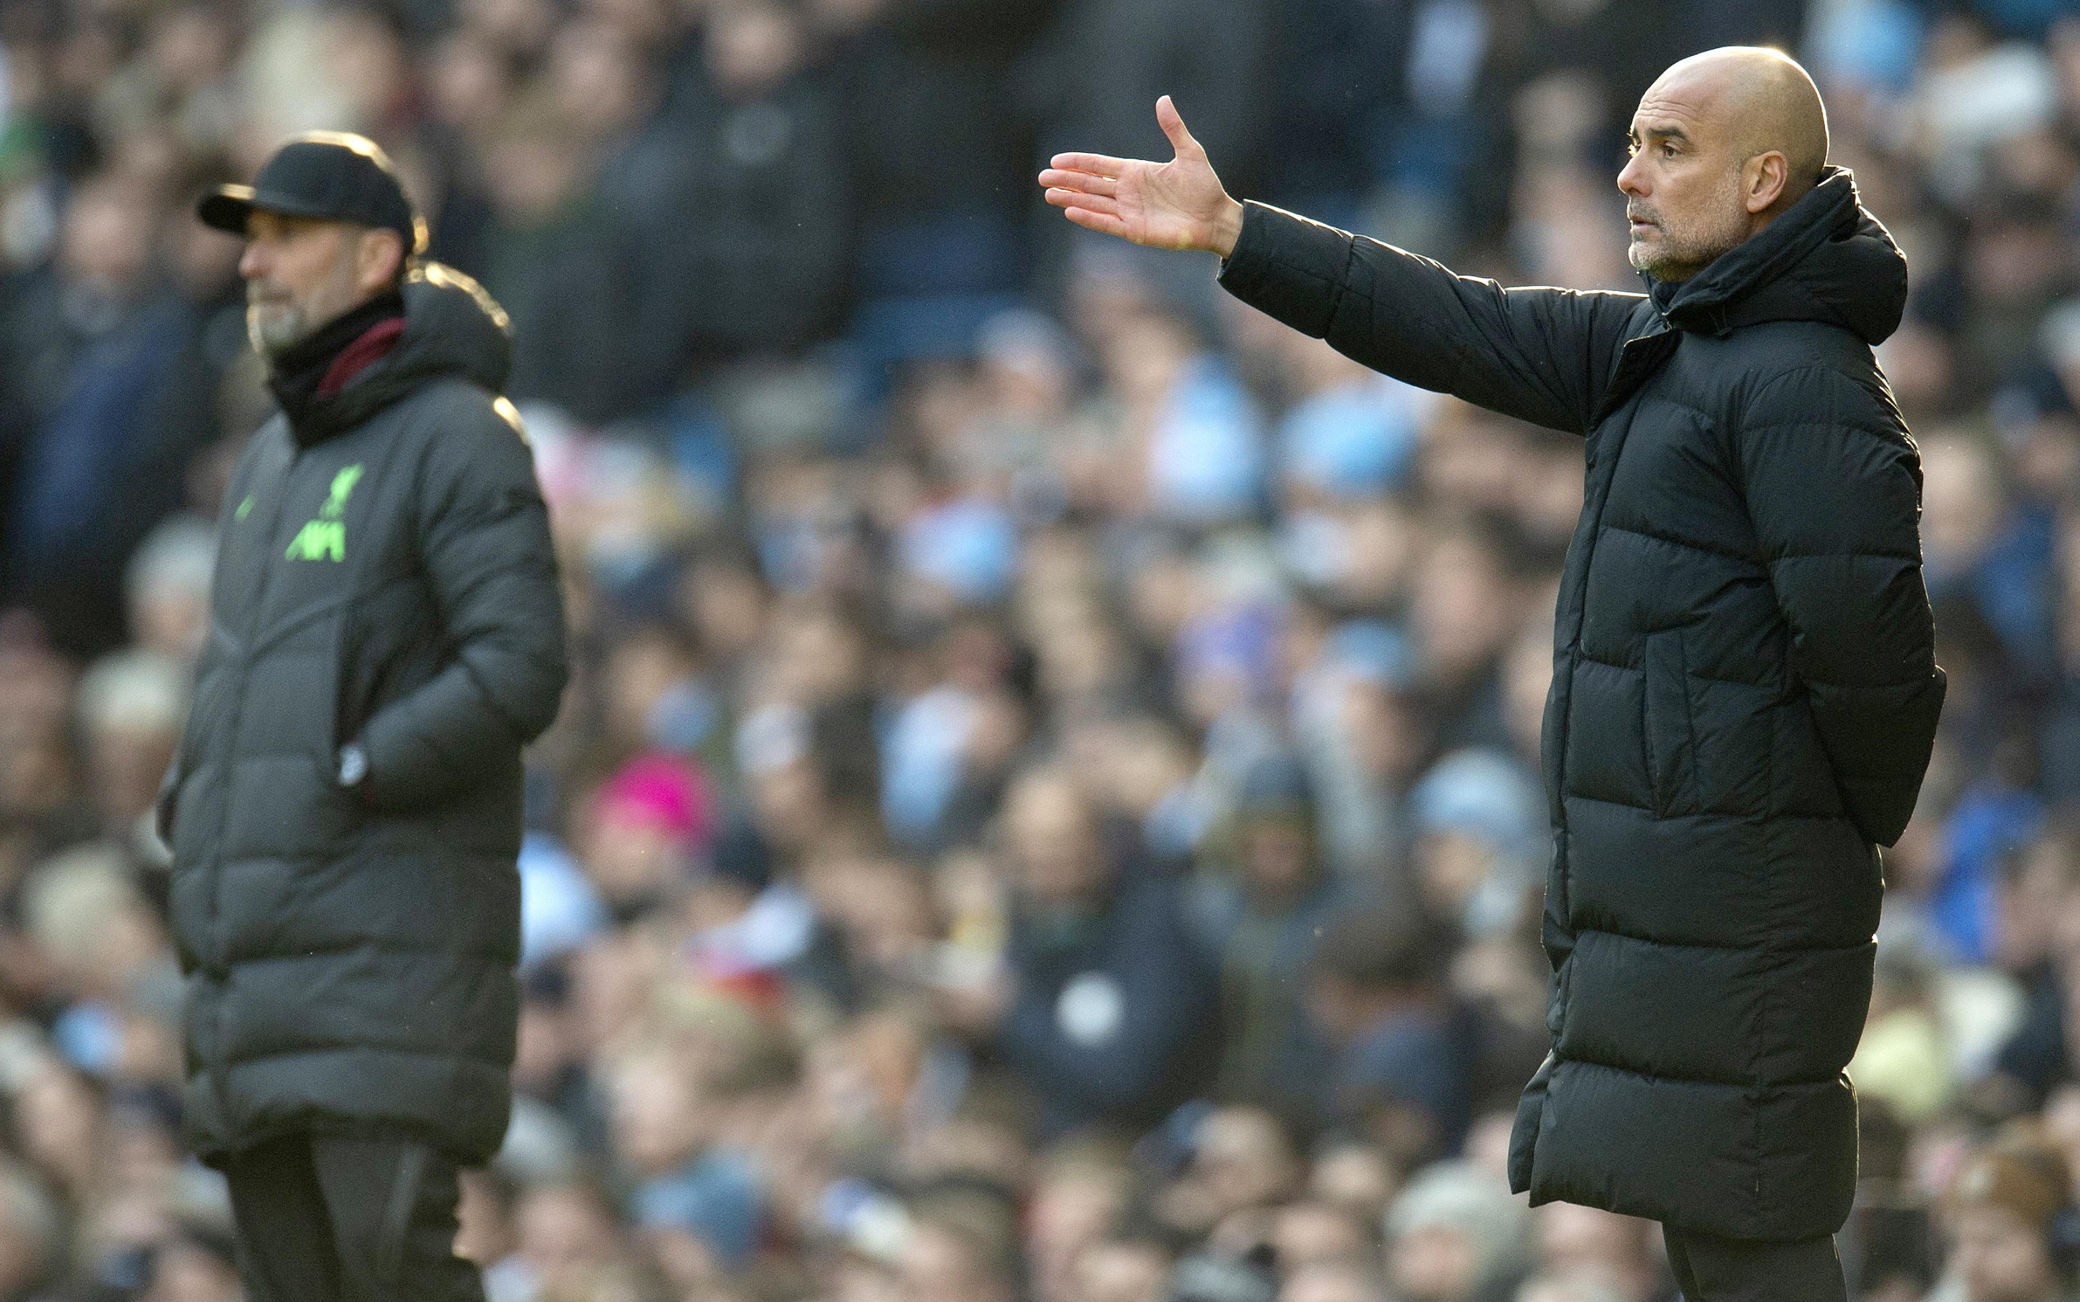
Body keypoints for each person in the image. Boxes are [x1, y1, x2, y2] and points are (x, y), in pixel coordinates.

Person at [1040, 45, 1946, 1301]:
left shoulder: (1800, 386)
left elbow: (1875, 668)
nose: (1628, 174)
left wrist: (1783, 825)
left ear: (1762, 180)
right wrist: (1241, 236)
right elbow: (1456, 323)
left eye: (1666, 147)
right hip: (1691, 887)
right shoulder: (1675, 349)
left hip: (1739, 888)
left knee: (1750, 1228)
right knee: (1720, 1221)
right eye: (1629, 143)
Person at [162, 132, 569, 1301]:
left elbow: (521, 665)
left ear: (379, 253)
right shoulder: (271, 457)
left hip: (382, 960)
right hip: (254, 970)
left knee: (396, 1274)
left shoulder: (456, 433)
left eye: (289, 237)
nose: (254, 265)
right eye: (253, 241)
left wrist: (353, 769)